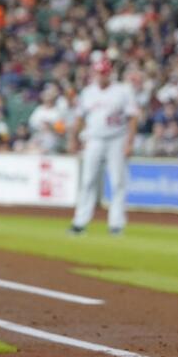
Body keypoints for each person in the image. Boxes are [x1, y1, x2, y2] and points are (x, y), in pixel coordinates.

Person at [67, 56, 139, 236]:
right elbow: (79, 117)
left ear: (110, 73)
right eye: (98, 72)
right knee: (87, 180)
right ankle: (79, 222)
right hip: (94, 139)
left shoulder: (122, 91)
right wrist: (73, 139)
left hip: (117, 138)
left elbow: (133, 118)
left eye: (104, 73)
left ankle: (116, 224)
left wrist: (129, 143)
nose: (101, 76)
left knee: (118, 182)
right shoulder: (88, 92)